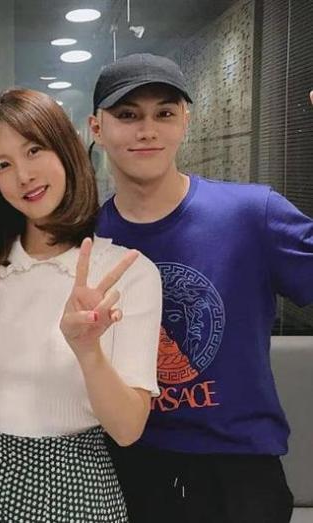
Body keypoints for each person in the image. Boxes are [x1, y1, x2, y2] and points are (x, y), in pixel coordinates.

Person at [91, 53, 313, 523]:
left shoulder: (252, 215)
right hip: (127, 469)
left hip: (241, 474)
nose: (147, 130)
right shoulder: (87, 239)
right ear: (97, 128)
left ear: (185, 122)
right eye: (127, 115)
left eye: (164, 113)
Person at [0, 88, 162, 522]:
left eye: (34, 150)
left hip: (76, 485)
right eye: (3, 165)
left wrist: (88, 349)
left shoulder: (128, 272)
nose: (24, 175)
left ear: (65, 150)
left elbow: (128, 429)